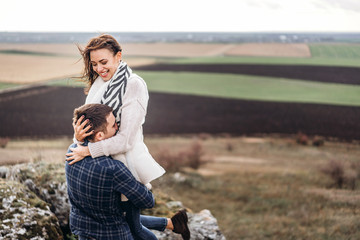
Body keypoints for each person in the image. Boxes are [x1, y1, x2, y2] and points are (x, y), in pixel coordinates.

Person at [65, 34, 190, 240]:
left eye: (104, 62)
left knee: (133, 228)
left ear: (118, 56)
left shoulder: (134, 85)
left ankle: (175, 224)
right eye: (94, 63)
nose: (98, 68)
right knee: (123, 221)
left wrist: (87, 150)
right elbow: (91, 125)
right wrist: (79, 138)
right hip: (102, 166)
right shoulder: (100, 82)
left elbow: (126, 140)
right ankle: (173, 223)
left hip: (124, 167)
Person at [66, 103, 190, 240]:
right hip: (113, 235)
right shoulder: (113, 168)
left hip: (83, 231)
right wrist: (138, 178)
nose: (118, 127)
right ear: (100, 135)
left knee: (118, 216)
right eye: (114, 125)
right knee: (126, 219)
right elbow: (147, 202)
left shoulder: (72, 151)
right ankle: (172, 223)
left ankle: (171, 223)